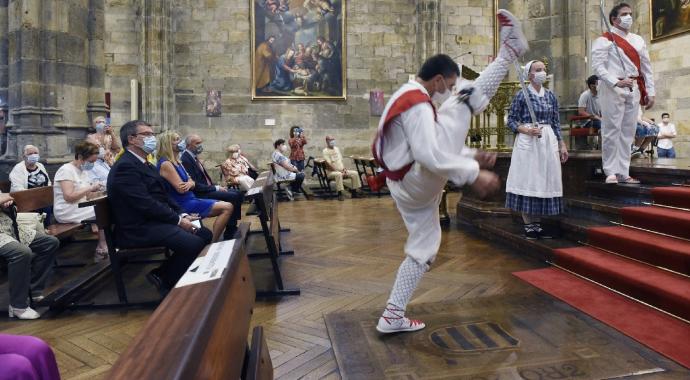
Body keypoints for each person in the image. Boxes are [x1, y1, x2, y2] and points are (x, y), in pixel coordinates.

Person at [372, 9, 526, 334]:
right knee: (462, 103)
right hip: (415, 178)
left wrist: (470, 153)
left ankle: (393, 315)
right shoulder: (416, 102)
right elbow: (430, 155)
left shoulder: (409, 96)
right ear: (439, 79)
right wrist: (472, 172)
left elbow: (427, 147)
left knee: (423, 248)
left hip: (405, 184)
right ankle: (508, 53)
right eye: (450, 83)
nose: (450, 89)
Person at [107, 120, 213, 295]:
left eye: (152, 134)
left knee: (205, 234)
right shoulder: (125, 166)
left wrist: (182, 213)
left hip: (154, 220)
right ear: (132, 139)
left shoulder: (144, 163)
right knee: (194, 243)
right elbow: (145, 204)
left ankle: (168, 274)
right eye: (147, 135)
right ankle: (165, 280)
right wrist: (178, 220)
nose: (152, 138)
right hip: (137, 227)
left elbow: (163, 195)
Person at [592, 2, 655, 184]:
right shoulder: (604, 40)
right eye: (625, 14)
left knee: (628, 131)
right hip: (613, 88)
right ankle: (610, 171)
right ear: (614, 18)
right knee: (612, 130)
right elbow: (598, 67)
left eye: (630, 13)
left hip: (633, 87)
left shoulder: (638, 40)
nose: (629, 17)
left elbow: (646, 68)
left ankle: (623, 171)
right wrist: (616, 81)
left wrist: (650, 91)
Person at [506, 60, 568, 240]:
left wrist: (562, 144)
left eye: (543, 69)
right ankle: (528, 224)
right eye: (538, 69)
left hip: (547, 141)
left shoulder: (550, 96)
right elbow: (511, 120)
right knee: (529, 180)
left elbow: (556, 123)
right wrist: (525, 129)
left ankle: (538, 224)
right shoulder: (521, 95)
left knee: (543, 180)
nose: (542, 72)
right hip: (528, 141)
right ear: (530, 74)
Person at [158, 131, 233, 243]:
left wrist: (190, 183)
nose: (180, 142)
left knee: (227, 204)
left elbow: (191, 181)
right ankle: (213, 242)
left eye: (179, 138)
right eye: (176, 139)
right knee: (227, 207)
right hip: (182, 203)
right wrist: (190, 183)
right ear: (168, 144)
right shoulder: (166, 163)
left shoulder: (177, 161)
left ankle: (213, 240)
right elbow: (181, 188)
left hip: (190, 197)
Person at [0, 192, 60, 320]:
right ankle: (18, 305)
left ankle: (33, 290)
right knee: (21, 252)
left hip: (7, 226)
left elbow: (7, 202)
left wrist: (7, 204)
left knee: (50, 243)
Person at [53, 141, 108, 262]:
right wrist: (90, 187)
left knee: (106, 205)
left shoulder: (83, 171)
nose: (92, 165)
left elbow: (87, 196)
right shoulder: (66, 170)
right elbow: (69, 196)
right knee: (103, 210)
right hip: (67, 210)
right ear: (80, 157)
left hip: (81, 206)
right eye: (91, 161)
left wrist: (102, 192)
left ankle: (105, 244)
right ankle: (102, 246)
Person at [181, 134, 244, 240]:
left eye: (200, 142)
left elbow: (203, 180)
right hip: (200, 193)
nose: (200, 145)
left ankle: (232, 226)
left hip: (206, 189)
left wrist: (216, 186)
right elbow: (195, 185)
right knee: (233, 196)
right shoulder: (186, 159)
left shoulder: (193, 157)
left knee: (237, 194)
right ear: (188, 145)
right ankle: (230, 230)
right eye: (197, 143)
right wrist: (216, 188)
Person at [322, 136, 363, 201]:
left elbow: (340, 160)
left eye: (333, 139)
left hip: (341, 171)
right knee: (338, 174)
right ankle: (340, 194)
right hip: (331, 172)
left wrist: (344, 169)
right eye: (331, 140)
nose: (333, 141)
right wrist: (339, 171)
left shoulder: (337, 149)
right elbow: (329, 164)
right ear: (327, 141)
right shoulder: (325, 151)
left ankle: (354, 193)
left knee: (354, 173)